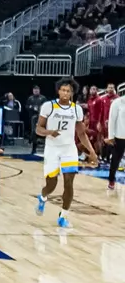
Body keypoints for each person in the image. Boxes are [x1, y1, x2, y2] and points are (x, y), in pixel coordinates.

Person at [35, 77, 98, 228]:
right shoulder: (48, 106)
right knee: (51, 185)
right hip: (52, 149)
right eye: (63, 90)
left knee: (69, 183)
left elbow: (81, 133)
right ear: (58, 91)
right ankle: (43, 197)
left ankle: (63, 216)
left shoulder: (76, 109)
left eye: (68, 91)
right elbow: (38, 129)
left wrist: (92, 151)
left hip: (69, 149)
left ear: (72, 93)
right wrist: (49, 132)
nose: (65, 93)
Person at [105, 86, 125, 190]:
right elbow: (112, 120)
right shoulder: (117, 102)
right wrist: (111, 136)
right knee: (116, 160)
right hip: (120, 136)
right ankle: (111, 179)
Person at [26, 85, 45, 153]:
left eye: (37, 90)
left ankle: (45, 146)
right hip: (33, 117)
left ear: (39, 90)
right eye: (34, 90)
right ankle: (34, 148)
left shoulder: (43, 98)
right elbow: (27, 106)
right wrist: (32, 107)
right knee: (34, 131)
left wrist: (39, 108)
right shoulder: (30, 98)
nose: (36, 91)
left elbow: (46, 106)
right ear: (33, 91)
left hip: (42, 117)